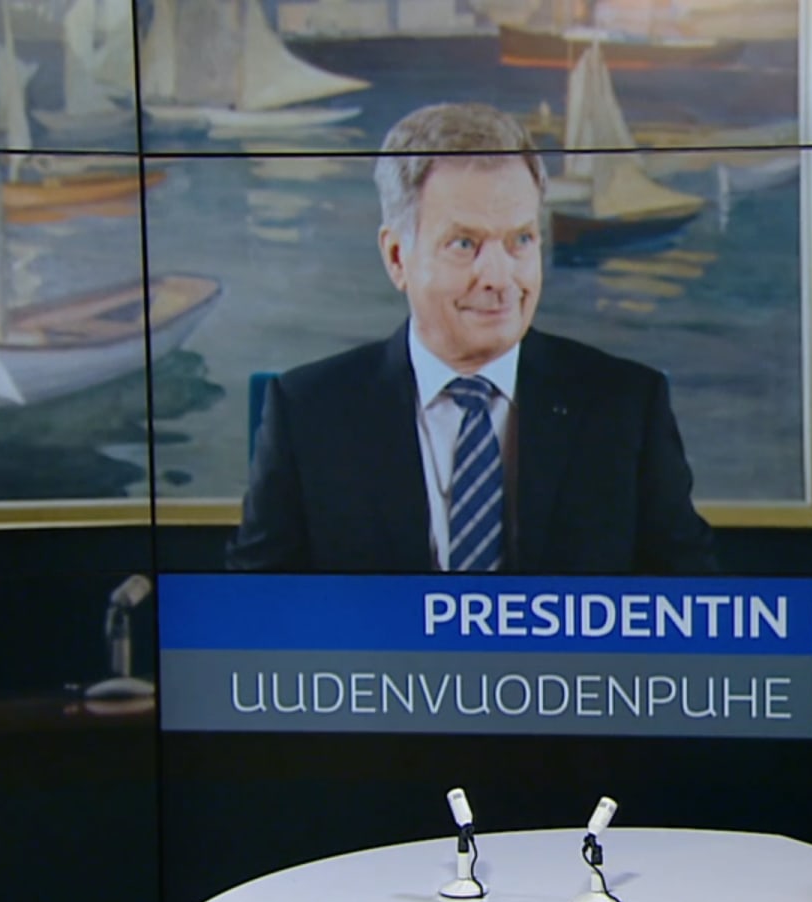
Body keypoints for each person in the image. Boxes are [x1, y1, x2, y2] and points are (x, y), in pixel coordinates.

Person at [224, 102, 717, 574]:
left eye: (520, 240)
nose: (499, 278)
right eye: (465, 244)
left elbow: (694, 611)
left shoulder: (626, 407)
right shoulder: (308, 413)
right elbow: (249, 614)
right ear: (397, 257)